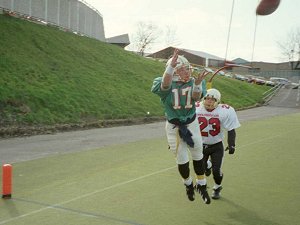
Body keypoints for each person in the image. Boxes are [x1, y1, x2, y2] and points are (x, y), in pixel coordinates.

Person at [151, 49, 210, 204]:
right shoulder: (165, 82)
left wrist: (197, 85)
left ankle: (202, 185)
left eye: (187, 68)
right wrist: (170, 67)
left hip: (191, 123)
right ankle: (188, 184)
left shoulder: (194, 81)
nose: (186, 72)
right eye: (182, 69)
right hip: (174, 127)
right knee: (182, 159)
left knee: (198, 153)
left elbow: (197, 97)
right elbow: (164, 84)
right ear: (174, 71)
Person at [196, 88, 240, 199]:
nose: (209, 101)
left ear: (218, 101)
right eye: (207, 98)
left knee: (216, 171)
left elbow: (231, 129)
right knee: (201, 169)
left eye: (212, 99)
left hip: (216, 145)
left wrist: (231, 144)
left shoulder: (225, 111)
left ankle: (217, 187)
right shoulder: (196, 108)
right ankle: (207, 166)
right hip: (200, 145)